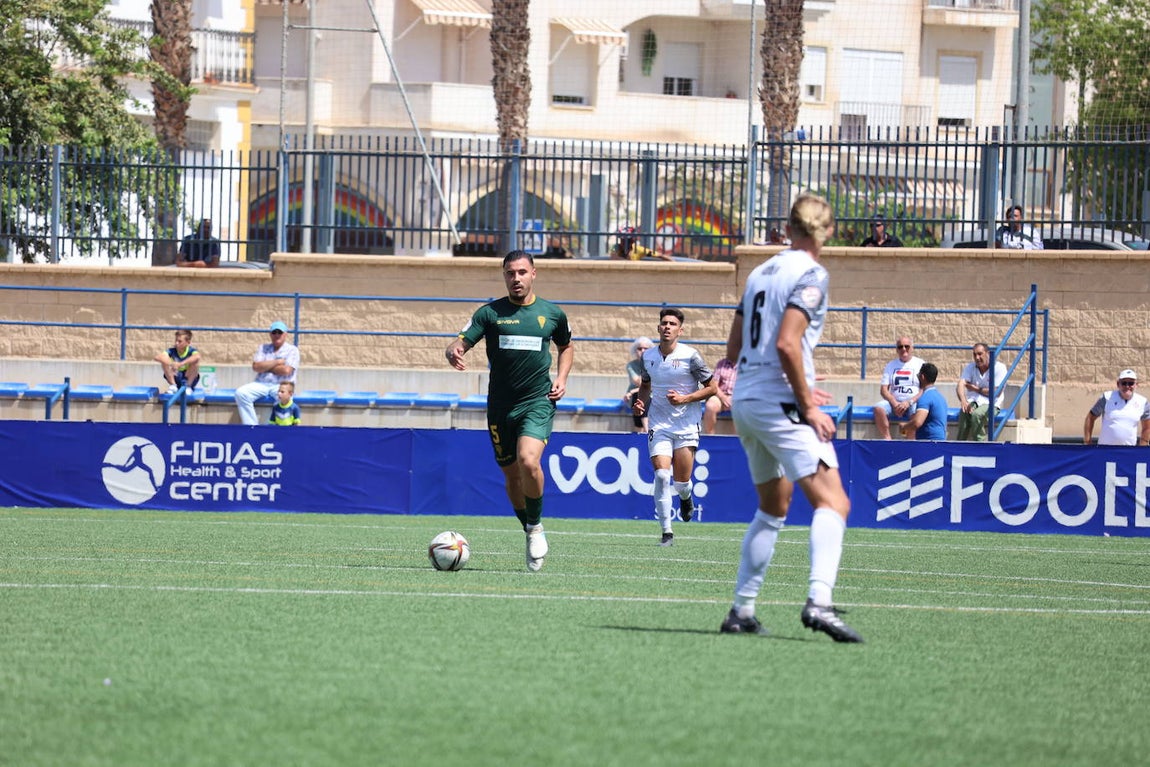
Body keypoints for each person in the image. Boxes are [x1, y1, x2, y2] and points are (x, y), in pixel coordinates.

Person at [718, 193, 862, 643]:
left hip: (748, 400)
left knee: (773, 506)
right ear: (828, 230)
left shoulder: (761, 270)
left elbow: (737, 338)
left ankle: (742, 609)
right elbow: (786, 342)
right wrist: (807, 404)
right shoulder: (812, 273)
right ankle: (819, 601)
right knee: (834, 502)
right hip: (780, 403)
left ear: (788, 227)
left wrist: (738, 375)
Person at [445, 250, 574, 572]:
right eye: (509, 273)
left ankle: (537, 526)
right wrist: (454, 351)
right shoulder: (490, 314)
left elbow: (566, 346)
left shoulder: (552, 314)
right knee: (512, 475)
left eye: (521, 272)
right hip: (500, 407)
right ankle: (529, 528)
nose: (515, 278)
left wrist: (561, 377)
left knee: (529, 461)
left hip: (537, 401)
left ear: (534, 274)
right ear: (504, 276)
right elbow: (459, 341)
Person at [632, 308, 718, 545]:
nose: (667, 327)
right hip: (659, 423)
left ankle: (686, 496)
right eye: (664, 323)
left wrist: (685, 399)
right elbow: (646, 385)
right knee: (661, 475)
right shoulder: (648, 357)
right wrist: (641, 402)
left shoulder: (691, 356)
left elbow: (713, 388)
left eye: (672, 324)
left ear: (680, 330)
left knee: (681, 483)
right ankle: (666, 532)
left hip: (687, 425)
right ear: (658, 328)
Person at [235, 321, 300, 426]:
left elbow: (286, 371)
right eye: (274, 332)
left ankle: (281, 430)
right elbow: (256, 367)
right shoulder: (263, 348)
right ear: (270, 334)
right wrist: (277, 362)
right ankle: (252, 426)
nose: (277, 335)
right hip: (261, 383)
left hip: (281, 384)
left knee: (285, 397)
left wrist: (265, 367)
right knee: (241, 393)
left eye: (280, 332)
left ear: (285, 334)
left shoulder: (292, 350)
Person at [872, 335, 925, 440]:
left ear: (912, 348)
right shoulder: (890, 365)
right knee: (878, 408)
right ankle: (888, 440)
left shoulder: (920, 364)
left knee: (916, 412)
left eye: (907, 346)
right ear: (897, 349)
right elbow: (883, 390)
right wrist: (894, 402)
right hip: (894, 402)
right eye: (900, 347)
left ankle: (910, 443)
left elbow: (924, 389)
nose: (904, 349)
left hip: (913, 402)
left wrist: (909, 402)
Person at [955, 342, 1008, 441]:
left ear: (987, 353)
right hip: (974, 400)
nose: (977, 358)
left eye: (980, 354)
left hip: (992, 403)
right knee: (964, 412)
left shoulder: (999, 368)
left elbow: (996, 392)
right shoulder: (970, 367)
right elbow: (961, 384)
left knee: (976, 415)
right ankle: (960, 444)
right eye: (974, 354)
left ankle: (980, 445)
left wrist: (975, 388)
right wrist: (963, 400)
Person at [1084, 369, 1150, 446]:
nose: (1127, 386)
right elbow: (1090, 418)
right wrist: (1087, 442)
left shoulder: (1143, 402)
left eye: (1131, 383)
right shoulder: (1106, 398)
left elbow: (1147, 428)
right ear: (1118, 384)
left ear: (1136, 385)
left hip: (1128, 453)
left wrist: (1142, 448)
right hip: (1105, 451)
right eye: (1124, 383)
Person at [899, 363, 949, 440]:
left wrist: (904, 427)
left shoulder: (925, 398)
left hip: (928, 443)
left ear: (922, 377)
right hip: (941, 441)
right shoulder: (941, 398)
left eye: (918, 375)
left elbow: (917, 422)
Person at [153, 329, 202, 394]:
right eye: (176, 340)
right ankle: (173, 386)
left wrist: (180, 364)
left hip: (187, 376)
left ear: (188, 342)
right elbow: (157, 357)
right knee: (164, 360)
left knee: (195, 361)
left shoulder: (191, 350)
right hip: (176, 375)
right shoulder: (172, 350)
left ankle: (188, 387)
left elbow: (197, 356)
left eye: (180, 341)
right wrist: (172, 364)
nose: (176, 343)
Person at [623, 336, 654, 433]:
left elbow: (651, 386)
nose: (643, 351)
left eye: (646, 348)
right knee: (639, 396)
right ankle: (646, 430)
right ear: (635, 351)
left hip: (651, 396)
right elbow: (638, 382)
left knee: (644, 396)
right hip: (634, 397)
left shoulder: (654, 364)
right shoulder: (631, 365)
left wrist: (631, 391)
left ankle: (646, 430)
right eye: (640, 348)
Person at [702, 357, 737, 435]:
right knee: (710, 406)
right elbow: (715, 385)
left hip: (737, 398)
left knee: (741, 408)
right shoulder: (722, 363)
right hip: (720, 396)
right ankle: (710, 437)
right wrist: (723, 397)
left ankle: (737, 441)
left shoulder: (746, 365)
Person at [609, 226, 673, 261]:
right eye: (622, 240)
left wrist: (674, 263)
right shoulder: (616, 247)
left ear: (633, 241)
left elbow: (659, 255)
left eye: (628, 240)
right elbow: (614, 257)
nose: (624, 242)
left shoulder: (638, 249)